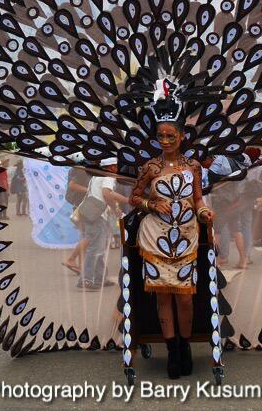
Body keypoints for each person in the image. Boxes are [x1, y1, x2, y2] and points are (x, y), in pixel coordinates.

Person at [130, 104, 214, 379]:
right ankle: (171, 353)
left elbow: (198, 198)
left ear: (181, 137)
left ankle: (185, 347)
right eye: (161, 137)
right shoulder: (150, 167)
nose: (165, 141)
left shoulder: (193, 167)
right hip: (155, 237)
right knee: (163, 296)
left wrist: (203, 211)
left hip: (187, 238)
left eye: (170, 136)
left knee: (186, 299)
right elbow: (134, 198)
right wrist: (152, 205)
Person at [76, 159, 128, 290]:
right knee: (95, 248)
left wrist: (126, 200)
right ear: (111, 167)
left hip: (90, 214)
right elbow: (106, 193)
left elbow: (108, 192)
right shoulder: (108, 177)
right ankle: (86, 279)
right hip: (98, 216)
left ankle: (100, 278)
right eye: (117, 166)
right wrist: (115, 208)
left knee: (98, 247)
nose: (118, 168)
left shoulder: (96, 176)